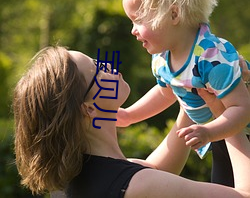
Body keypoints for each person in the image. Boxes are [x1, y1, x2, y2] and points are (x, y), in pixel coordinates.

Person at [13, 46, 250, 198]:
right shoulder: (137, 186)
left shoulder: (73, 181)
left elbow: (156, 169)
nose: (107, 65)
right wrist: (226, 113)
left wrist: (190, 85)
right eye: (97, 68)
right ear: (89, 108)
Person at [119, 0, 250, 186]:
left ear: (173, 15)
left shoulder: (211, 57)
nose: (133, 30)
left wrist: (209, 132)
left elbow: (242, 108)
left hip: (239, 133)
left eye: (138, 20)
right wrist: (130, 115)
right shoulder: (162, 58)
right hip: (220, 136)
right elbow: (166, 93)